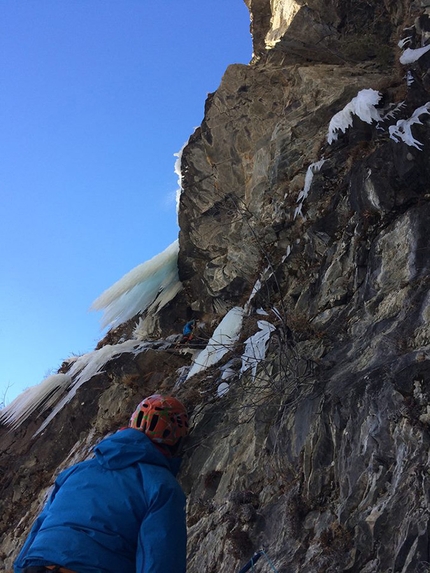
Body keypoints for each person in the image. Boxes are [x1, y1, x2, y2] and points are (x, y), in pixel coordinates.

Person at [13, 394, 189, 573]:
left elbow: (40, 525)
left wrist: (20, 569)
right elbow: (160, 559)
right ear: (177, 441)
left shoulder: (75, 471)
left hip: (36, 565)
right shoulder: (161, 485)